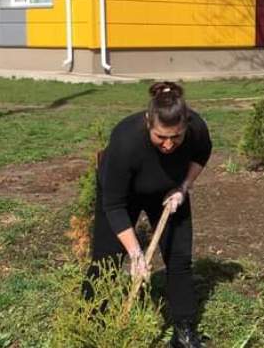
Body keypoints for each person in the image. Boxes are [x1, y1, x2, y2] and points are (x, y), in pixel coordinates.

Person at [86, 81, 212, 347]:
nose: (168, 145)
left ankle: (184, 331)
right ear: (147, 122)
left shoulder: (196, 128)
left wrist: (183, 188)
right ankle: (91, 323)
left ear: (186, 125)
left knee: (179, 259)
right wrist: (136, 253)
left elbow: (202, 153)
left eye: (175, 137)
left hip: (168, 192)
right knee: (105, 261)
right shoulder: (125, 140)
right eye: (160, 137)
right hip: (123, 196)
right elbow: (114, 205)